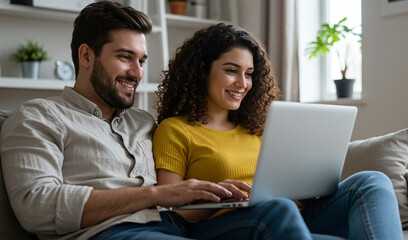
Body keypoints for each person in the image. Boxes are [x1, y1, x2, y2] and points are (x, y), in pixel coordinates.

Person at [0, 2, 311, 240]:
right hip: (111, 232)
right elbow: (36, 206)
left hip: (177, 228)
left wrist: (211, 191)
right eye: (125, 57)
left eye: (142, 61)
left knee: (277, 212)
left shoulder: (146, 122)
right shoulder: (37, 117)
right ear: (86, 56)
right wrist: (157, 194)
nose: (137, 72)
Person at [153, 23, 404, 239]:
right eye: (231, 71)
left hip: (291, 215)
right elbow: (172, 208)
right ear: (202, 71)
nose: (243, 83)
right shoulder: (175, 129)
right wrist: (221, 196)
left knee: (372, 181)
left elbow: (287, 186)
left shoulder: (259, 129)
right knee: (279, 207)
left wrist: (307, 189)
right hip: (225, 225)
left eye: (249, 74)